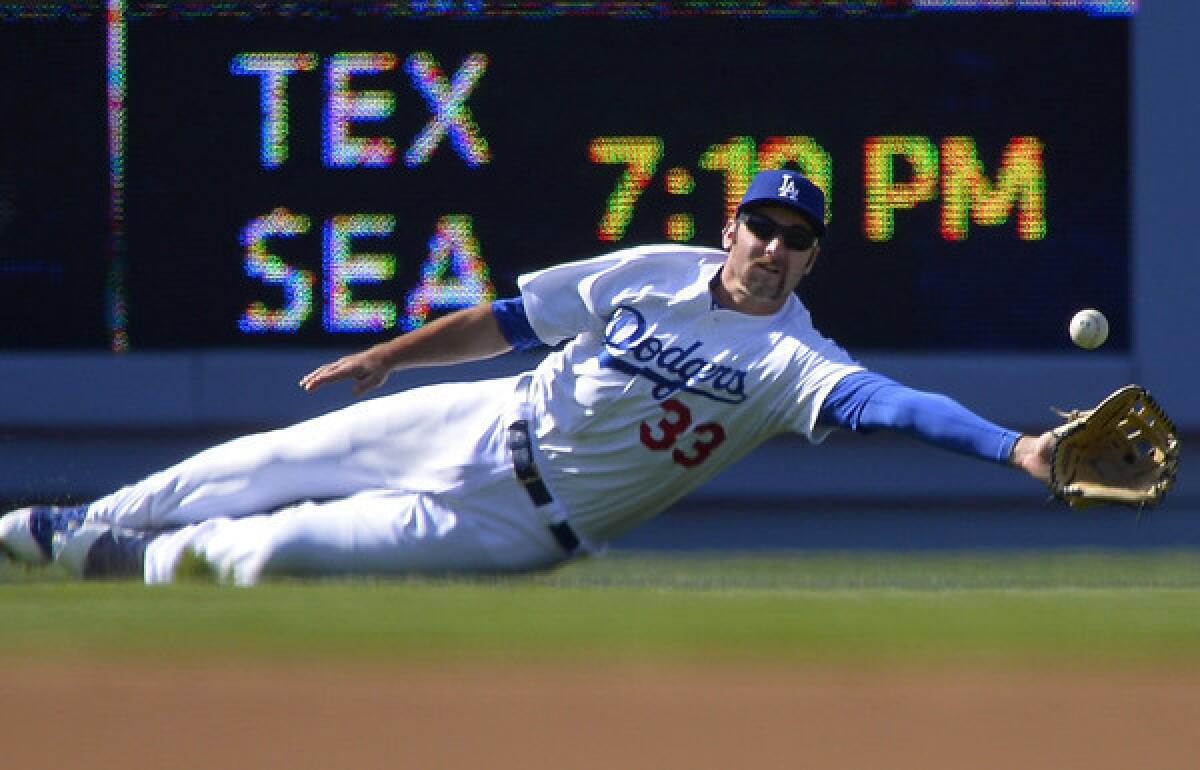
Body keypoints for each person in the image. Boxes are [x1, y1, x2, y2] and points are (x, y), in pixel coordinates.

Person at [0, 169, 1058, 584]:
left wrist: (1017, 445)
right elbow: (510, 321)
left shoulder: (794, 362)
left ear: (815, 257)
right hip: (474, 418)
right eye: (764, 225)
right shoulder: (653, 267)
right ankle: (83, 521)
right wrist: (387, 353)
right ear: (729, 227)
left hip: (519, 528)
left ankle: (130, 560)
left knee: (274, 548)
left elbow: (898, 403)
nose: (776, 246)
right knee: (260, 458)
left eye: (799, 237)